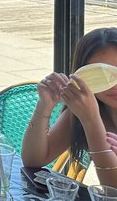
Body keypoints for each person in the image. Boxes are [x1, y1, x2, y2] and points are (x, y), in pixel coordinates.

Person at [22, 28, 117, 186]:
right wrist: (44, 105)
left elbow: (113, 189)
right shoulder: (89, 108)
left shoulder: (89, 113)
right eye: (100, 75)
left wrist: (91, 121)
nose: (114, 85)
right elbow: (34, 159)